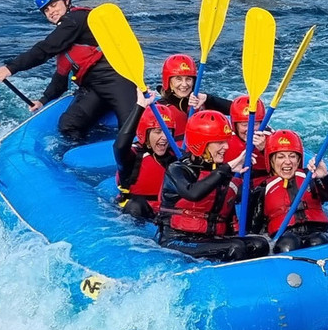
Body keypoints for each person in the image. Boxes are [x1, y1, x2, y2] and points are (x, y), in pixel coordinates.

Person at [0, 0, 137, 142]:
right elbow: (61, 77)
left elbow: (45, 49)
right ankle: (82, 157)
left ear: (67, 1)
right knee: (69, 125)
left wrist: (11, 68)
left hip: (117, 81)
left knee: (130, 132)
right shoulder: (65, 35)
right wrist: (43, 101)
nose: (51, 11)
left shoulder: (76, 19)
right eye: (46, 10)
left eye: (54, 5)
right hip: (93, 89)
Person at [157, 110, 270, 262]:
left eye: (226, 141)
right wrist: (226, 169)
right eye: (219, 142)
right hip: (177, 239)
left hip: (210, 238)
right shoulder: (178, 169)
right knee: (235, 248)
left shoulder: (221, 172)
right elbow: (193, 193)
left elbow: (228, 216)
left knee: (259, 244)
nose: (226, 147)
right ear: (200, 142)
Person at [252, 129, 328, 254]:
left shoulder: (311, 177)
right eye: (281, 157)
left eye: (292, 156)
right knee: (288, 244)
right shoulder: (263, 189)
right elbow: (254, 229)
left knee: (318, 241)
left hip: (318, 231)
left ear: (299, 160)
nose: (287, 161)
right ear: (271, 161)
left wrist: (326, 176)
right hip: (285, 237)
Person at [113, 90, 186, 220]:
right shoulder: (132, 157)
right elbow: (119, 146)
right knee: (135, 205)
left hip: (165, 211)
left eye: (167, 131)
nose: (164, 137)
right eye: (158, 131)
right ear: (144, 133)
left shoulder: (178, 155)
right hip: (138, 213)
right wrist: (140, 106)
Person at [157, 54, 232, 116]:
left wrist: (208, 99)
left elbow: (237, 110)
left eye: (188, 79)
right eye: (178, 79)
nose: (184, 84)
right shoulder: (159, 107)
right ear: (168, 81)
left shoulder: (201, 101)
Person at [225, 95, 270, 187]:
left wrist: (265, 150)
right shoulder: (223, 141)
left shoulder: (271, 139)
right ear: (235, 126)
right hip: (234, 188)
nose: (250, 129)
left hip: (263, 188)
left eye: (255, 124)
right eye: (244, 124)